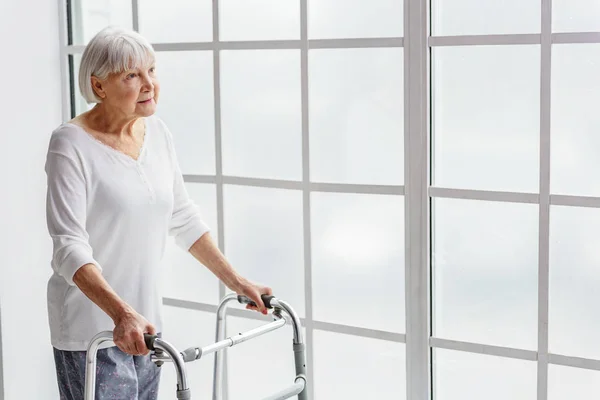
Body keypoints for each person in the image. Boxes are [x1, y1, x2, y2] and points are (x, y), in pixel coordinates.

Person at [44, 25, 272, 400]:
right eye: (132, 75)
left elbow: (182, 217)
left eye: (151, 70)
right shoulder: (69, 145)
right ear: (99, 86)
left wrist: (236, 281)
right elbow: (68, 247)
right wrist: (121, 314)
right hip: (93, 332)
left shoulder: (157, 133)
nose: (149, 84)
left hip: (146, 327)